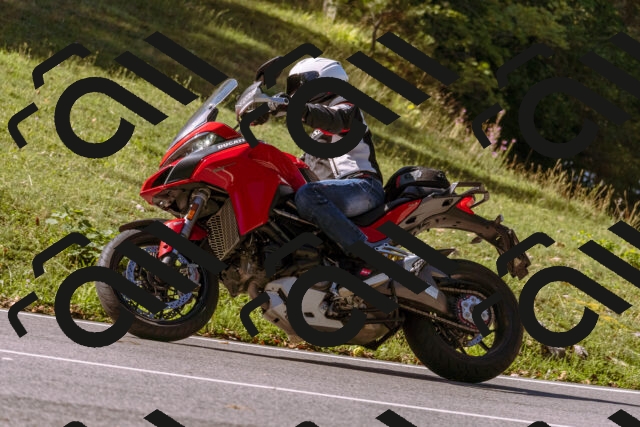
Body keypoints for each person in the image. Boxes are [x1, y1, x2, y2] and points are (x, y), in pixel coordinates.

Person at [268, 57, 388, 276]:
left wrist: (293, 107)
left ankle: (365, 255)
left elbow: (332, 119)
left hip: (363, 187)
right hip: (332, 193)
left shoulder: (347, 108)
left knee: (308, 196)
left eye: (298, 85)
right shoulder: (317, 134)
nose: (295, 91)